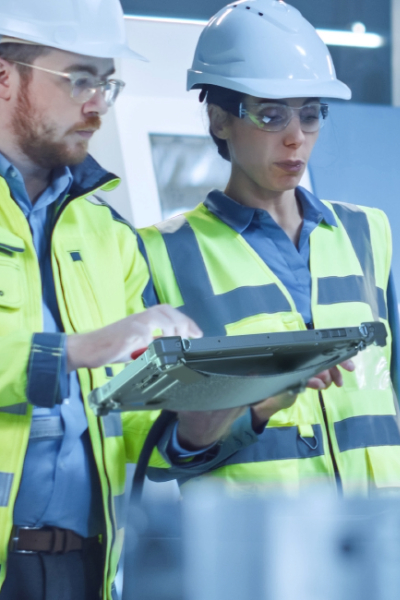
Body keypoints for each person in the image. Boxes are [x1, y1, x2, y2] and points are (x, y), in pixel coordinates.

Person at [0, 1, 263, 598]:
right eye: (80, 79)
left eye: (107, 82)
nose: (97, 103)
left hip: (84, 569)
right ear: (5, 75)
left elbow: (127, 417)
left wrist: (202, 422)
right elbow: (77, 356)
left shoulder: (108, 235)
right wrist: (72, 351)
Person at [139, 0, 400, 495]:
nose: (295, 139)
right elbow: (158, 453)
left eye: (310, 115)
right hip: (258, 554)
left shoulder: (368, 232)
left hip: (378, 547)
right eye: (271, 116)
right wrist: (256, 407)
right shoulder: (162, 254)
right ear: (219, 120)